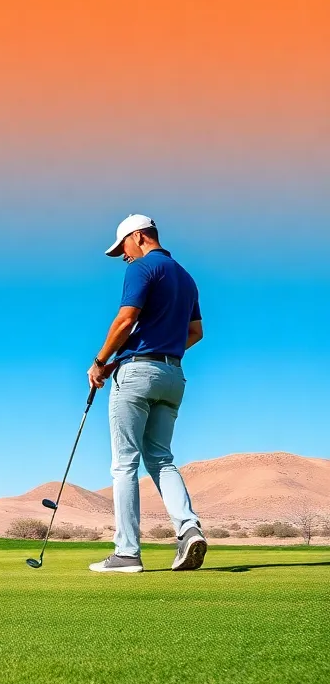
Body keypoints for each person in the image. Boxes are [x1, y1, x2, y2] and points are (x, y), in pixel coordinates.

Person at [86, 215, 206, 574]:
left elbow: (125, 320)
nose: (123, 256)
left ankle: (126, 553)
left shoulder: (142, 268)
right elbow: (196, 332)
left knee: (124, 463)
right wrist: (160, 350)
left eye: (122, 247)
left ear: (138, 237)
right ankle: (188, 529)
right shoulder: (186, 277)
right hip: (173, 374)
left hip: (137, 374)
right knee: (161, 459)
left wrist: (100, 362)